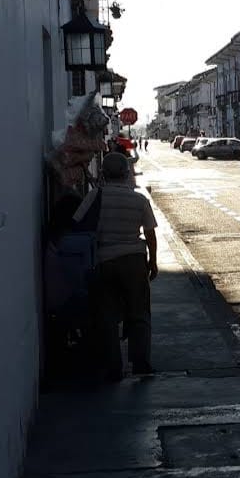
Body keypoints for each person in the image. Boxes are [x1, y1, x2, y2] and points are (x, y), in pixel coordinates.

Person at [78, 151, 158, 381]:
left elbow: (79, 224)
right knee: (139, 311)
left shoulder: (95, 196)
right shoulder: (139, 199)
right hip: (134, 259)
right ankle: (141, 361)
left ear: (103, 173)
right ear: (126, 174)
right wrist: (152, 261)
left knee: (107, 314)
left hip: (104, 259)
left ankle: (113, 366)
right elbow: (150, 233)